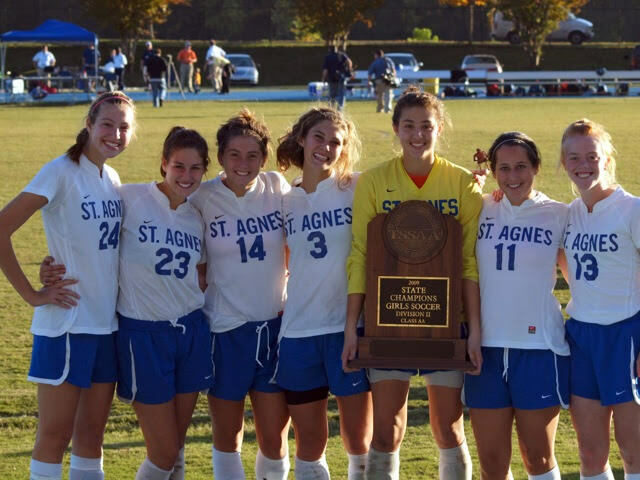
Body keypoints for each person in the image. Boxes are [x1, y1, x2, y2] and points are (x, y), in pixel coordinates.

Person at [40, 127, 213, 480]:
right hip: (143, 335)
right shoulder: (130, 198)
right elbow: (87, 233)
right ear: (163, 163)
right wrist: (52, 265)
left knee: (175, 448)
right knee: (163, 452)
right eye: (178, 166)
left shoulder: (199, 216)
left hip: (191, 331)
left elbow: (203, 274)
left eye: (196, 169)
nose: (186, 176)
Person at [342, 86, 482, 480]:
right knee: (387, 430)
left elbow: (469, 263)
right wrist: (352, 327)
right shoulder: (373, 181)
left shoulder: (461, 183)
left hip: (447, 322)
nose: (417, 135)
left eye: (426, 126)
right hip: (388, 321)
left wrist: (473, 331)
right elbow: (360, 256)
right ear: (395, 128)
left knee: (448, 428)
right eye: (409, 126)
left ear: (439, 129)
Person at [0, 91, 135, 480]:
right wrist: (32, 294)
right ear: (89, 125)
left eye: (124, 127)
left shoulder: (110, 176)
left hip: (105, 325)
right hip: (67, 324)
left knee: (91, 436)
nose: (115, 133)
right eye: (107, 124)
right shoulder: (60, 170)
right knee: (54, 435)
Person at [189, 110, 291, 480]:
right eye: (234, 154)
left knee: (275, 438)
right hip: (225, 329)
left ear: (264, 159)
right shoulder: (201, 197)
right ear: (220, 157)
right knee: (227, 435)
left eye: (252, 156)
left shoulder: (277, 187)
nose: (243, 164)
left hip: (274, 327)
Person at [466, 132, 570, 480]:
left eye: (522, 167)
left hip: (539, 347)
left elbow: (579, 275)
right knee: (493, 463)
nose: (513, 177)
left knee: (538, 457)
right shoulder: (479, 208)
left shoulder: (559, 214)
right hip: (485, 350)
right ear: (493, 172)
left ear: (536, 167)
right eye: (505, 168)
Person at [275, 107, 372, 479]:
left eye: (336, 142)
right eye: (320, 138)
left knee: (358, 440)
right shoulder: (284, 199)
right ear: (302, 138)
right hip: (299, 331)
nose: (327, 148)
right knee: (310, 441)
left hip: (348, 329)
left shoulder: (357, 187)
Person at [558, 119, 640, 480]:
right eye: (574, 157)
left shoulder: (632, 209)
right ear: (564, 163)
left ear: (606, 159)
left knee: (633, 450)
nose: (583, 164)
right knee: (590, 452)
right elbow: (565, 264)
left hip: (626, 333)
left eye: (592, 156)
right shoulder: (567, 214)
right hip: (581, 335)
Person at [322, 46, 353, 111]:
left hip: (332, 78)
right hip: (341, 78)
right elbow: (349, 62)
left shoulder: (328, 57)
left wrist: (323, 79)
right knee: (341, 94)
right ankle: (340, 109)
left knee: (332, 95)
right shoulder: (341, 55)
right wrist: (349, 70)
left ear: (329, 50)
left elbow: (325, 70)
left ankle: (331, 109)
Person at [367, 49, 395, 113]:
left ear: (377, 55)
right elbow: (393, 70)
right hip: (389, 80)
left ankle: (380, 108)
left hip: (379, 80)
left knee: (380, 95)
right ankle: (387, 109)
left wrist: (369, 81)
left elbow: (370, 73)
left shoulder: (375, 62)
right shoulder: (388, 60)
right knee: (388, 94)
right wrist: (393, 78)